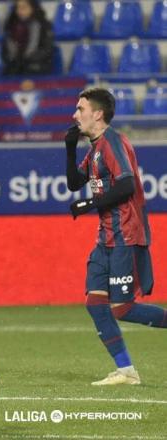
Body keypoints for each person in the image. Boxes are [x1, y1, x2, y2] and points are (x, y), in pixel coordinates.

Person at [65, 88, 167, 386]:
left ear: (97, 114)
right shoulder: (94, 147)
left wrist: (89, 204)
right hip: (105, 237)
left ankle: (126, 370)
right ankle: (126, 371)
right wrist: (70, 148)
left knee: (122, 307)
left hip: (125, 232)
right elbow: (74, 183)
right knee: (95, 303)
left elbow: (126, 186)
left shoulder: (113, 142)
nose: (75, 114)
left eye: (80, 108)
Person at [1, 0, 53, 76]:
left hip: (37, 67)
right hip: (14, 67)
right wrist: (13, 60)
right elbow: (4, 53)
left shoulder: (44, 26)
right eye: (18, 8)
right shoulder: (10, 26)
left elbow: (47, 51)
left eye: (24, 7)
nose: (20, 11)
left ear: (33, 8)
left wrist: (26, 60)